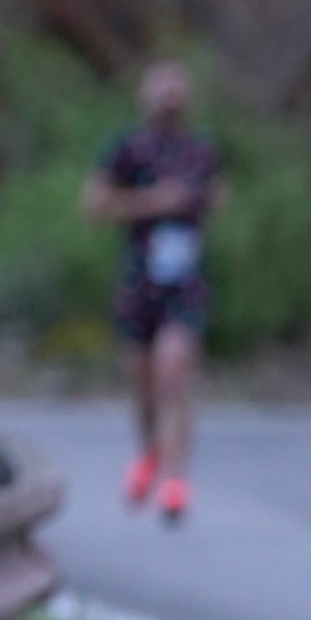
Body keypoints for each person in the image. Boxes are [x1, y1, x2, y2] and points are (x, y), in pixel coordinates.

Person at [82, 60, 224, 524]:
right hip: (139, 280)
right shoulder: (127, 149)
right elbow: (94, 205)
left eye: (177, 94)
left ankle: (177, 480)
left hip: (184, 282)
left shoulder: (201, 152)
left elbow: (218, 198)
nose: (170, 102)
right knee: (142, 383)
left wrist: (195, 207)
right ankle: (149, 452)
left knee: (173, 375)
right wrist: (152, 203)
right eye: (163, 93)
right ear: (145, 97)